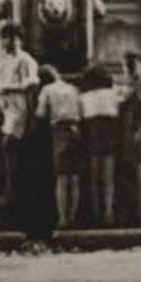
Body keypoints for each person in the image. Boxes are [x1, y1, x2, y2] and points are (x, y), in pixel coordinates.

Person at [0, 22, 38, 213]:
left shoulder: (26, 60)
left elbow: (30, 88)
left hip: (17, 104)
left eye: (13, 38)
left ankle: (9, 193)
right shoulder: (0, 60)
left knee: (9, 144)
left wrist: (31, 117)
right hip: (1, 102)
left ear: (20, 40)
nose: (9, 42)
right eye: (5, 38)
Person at [35, 64, 83, 230]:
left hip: (59, 130)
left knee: (62, 178)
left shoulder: (47, 90)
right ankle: (73, 217)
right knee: (74, 178)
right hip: (76, 129)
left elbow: (40, 113)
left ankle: (63, 219)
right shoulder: (73, 88)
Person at [79, 66, 121, 227]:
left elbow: (82, 119)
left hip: (93, 137)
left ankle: (96, 213)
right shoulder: (114, 94)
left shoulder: (84, 97)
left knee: (95, 179)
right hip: (110, 137)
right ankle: (108, 213)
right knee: (108, 178)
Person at [117, 52, 141, 227]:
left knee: (138, 173)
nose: (129, 68)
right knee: (132, 174)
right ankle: (134, 213)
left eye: (133, 64)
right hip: (128, 134)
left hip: (136, 134)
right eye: (127, 65)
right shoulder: (131, 84)